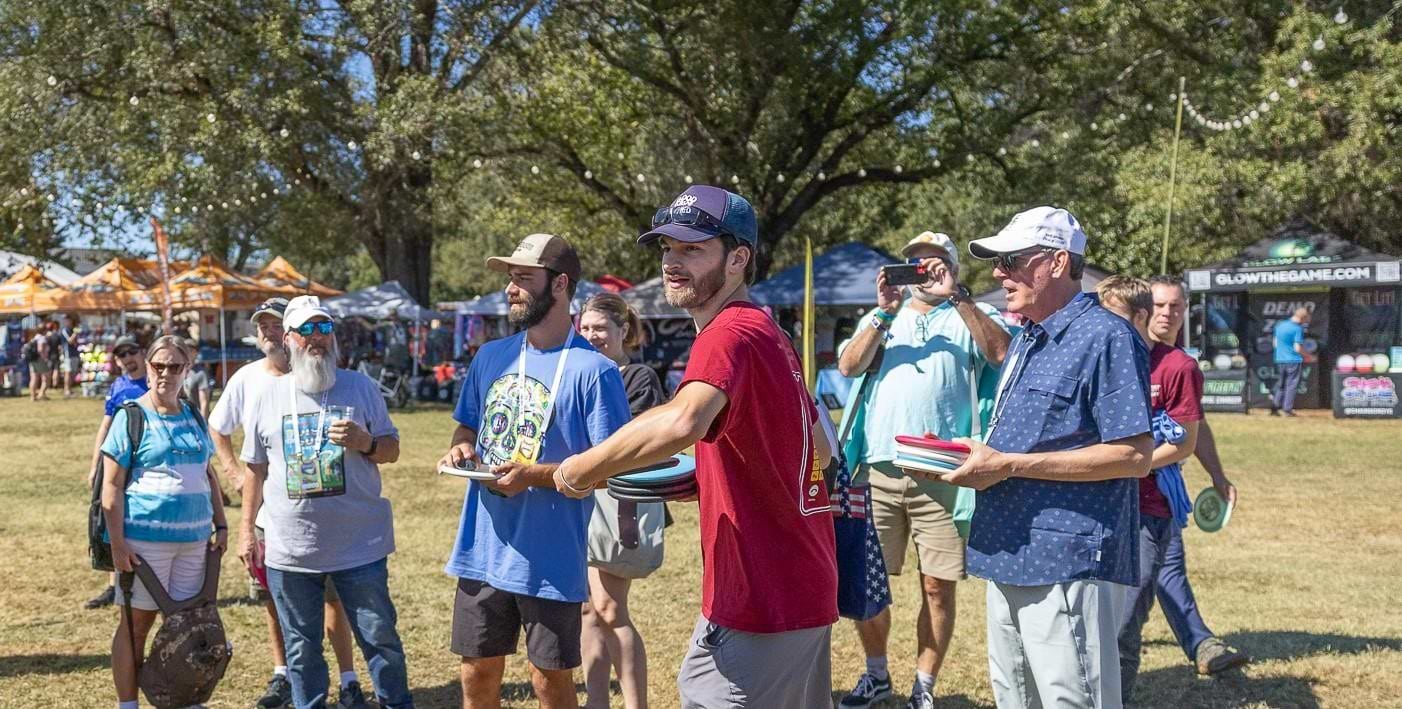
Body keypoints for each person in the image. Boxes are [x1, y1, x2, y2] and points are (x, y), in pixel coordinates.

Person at [553, 185, 838, 708]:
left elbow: (683, 419)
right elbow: (820, 449)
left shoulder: (729, 333)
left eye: (692, 249)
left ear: (738, 259)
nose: (672, 262)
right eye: (667, 248)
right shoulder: (767, 331)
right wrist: (702, 477)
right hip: (797, 585)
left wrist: (580, 469)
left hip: (763, 597)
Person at [926, 206, 1154, 708]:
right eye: (997, 262)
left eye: (1011, 260)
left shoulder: (1107, 335)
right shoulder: (1030, 336)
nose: (998, 273)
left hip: (1066, 558)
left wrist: (1008, 465)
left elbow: (1134, 454)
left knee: (1074, 700)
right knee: (1016, 699)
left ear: (1056, 262)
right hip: (1008, 548)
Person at [439, 233, 631, 709]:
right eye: (511, 278)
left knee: (549, 680)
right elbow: (467, 426)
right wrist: (461, 448)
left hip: (550, 557)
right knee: (477, 671)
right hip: (482, 548)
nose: (511, 288)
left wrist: (534, 475)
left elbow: (611, 469)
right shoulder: (491, 356)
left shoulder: (595, 371)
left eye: (524, 278)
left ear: (560, 284)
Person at [834, 231, 1010, 709]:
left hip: (945, 473)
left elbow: (1002, 354)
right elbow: (848, 366)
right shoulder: (883, 317)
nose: (923, 271)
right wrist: (884, 312)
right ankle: (876, 675)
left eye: (933, 263)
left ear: (952, 268)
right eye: (914, 263)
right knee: (869, 582)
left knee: (936, 585)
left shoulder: (971, 312)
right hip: (878, 470)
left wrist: (958, 297)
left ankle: (923, 687)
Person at [239, 295, 414, 709]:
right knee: (301, 649)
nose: (316, 338)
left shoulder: (360, 387)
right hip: (290, 551)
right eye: (306, 330)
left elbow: (391, 449)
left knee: (380, 639)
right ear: (288, 339)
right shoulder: (268, 395)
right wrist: (246, 531)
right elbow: (255, 469)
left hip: (359, 547)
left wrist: (365, 442)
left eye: (324, 328)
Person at [1096, 277, 1249, 698]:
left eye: (1175, 306)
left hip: (1153, 500)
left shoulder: (1179, 366)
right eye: (1160, 305)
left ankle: (1127, 690)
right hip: (1105, 501)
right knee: (1157, 579)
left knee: (1130, 611)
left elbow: (1189, 433)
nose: (1167, 314)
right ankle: (1201, 643)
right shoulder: (1109, 357)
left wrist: (1216, 476)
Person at [209, 298, 362, 709]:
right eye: (261, 325)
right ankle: (283, 674)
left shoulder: (320, 374)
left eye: (274, 324)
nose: (267, 332)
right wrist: (235, 474)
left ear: (292, 331)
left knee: (333, 597)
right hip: (269, 516)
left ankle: (348, 678)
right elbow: (218, 427)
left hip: (324, 515)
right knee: (276, 600)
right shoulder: (247, 378)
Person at [99, 336, 227, 709]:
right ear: (148, 367)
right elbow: (111, 486)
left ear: (187, 370)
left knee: (187, 628)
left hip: (194, 543)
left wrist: (221, 525)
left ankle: (184, 700)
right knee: (135, 627)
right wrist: (117, 543)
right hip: (144, 547)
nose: (165, 374)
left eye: (174, 366)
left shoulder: (193, 415)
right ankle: (128, 704)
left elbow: (208, 474)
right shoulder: (131, 416)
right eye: (158, 366)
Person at [577, 292, 668, 709]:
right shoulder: (577, 374)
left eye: (600, 328)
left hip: (619, 505)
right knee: (588, 610)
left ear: (622, 330)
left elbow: (632, 443)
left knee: (610, 608)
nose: (591, 335)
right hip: (579, 503)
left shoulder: (637, 377)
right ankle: (596, 702)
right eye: (585, 328)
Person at [84, 335, 149, 610]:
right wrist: (94, 466)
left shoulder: (154, 382)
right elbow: (106, 426)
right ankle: (113, 585)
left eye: (131, 352)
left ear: (143, 352)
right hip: (118, 462)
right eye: (121, 355)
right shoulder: (119, 386)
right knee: (111, 517)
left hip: (146, 461)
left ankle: (144, 578)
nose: (127, 359)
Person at [1271, 307, 1312, 416]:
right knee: (1291, 385)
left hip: (1280, 358)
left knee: (1281, 384)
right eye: (1306, 319)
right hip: (1293, 360)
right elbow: (1297, 348)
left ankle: (1274, 408)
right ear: (1303, 318)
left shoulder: (1280, 325)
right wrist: (1308, 356)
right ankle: (1287, 410)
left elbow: (1275, 344)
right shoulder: (1297, 329)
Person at [182, 344, 213, 418]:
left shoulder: (201, 373)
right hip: (182, 417)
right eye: (185, 350)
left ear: (196, 353)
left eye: (190, 350)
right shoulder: (180, 371)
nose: (188, 353)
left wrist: (202, 421)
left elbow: (204, 402)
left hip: (195, 417)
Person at [26, 329, 50, 400]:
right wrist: (44, 359)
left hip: (32, 360)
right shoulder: (42, 338)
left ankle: (33, 396)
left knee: (34, 378)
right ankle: (42, 394)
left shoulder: (34, 338)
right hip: (39, 359)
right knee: (47, 377)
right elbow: (40, 349)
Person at [61, 317, 82, 398]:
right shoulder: (65, 330)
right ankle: (67, 390)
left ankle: (70, 389)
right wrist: (75, 333)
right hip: (68, 355)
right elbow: (70, 341)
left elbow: (75, 342)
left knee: (73, 373)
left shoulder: (72, 330)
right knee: (68, 373)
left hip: (74, 354)